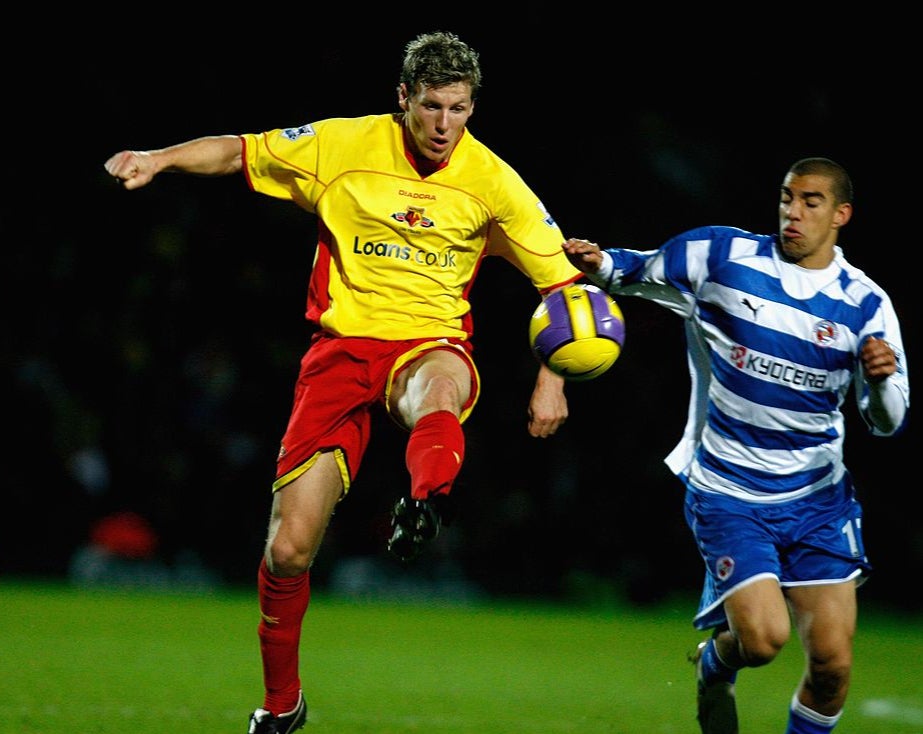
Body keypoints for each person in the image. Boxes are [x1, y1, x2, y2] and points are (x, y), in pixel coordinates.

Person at [104, 31, 583, 733]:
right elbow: (242, 150)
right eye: (430, 106)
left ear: (472, 105)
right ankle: (281, 706)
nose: (444, 124)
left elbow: (564, 285)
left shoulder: (494, 181)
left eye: (457, 108)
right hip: (338, 354)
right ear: (402, 98)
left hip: (430, 343)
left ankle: (426, 500)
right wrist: (160, 159)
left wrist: (554, 379)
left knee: (439, 392)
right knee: (288, 548)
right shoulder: (341, 145)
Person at [562, 157, 909, 734]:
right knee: (766, 638)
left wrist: (876, 382)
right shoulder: (723, 257)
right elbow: (638, 270)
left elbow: (887, 420)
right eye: (786, 198)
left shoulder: (867, 305)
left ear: (841, 215)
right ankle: (716, 663)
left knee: (833, 665)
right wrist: (599, 264)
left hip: (818, 499)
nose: (792, 213)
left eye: (811, 202)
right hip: (730, 492)